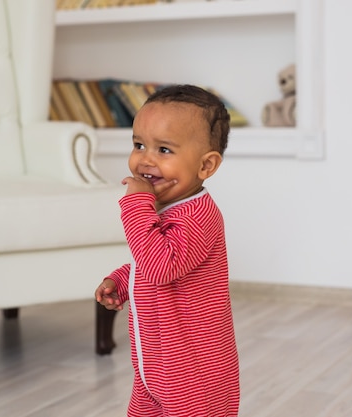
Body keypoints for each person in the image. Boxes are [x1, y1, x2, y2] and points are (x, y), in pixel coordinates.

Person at [95, 84, 240, 416]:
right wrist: (121, 279)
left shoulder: (197, 216)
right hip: (154, 366)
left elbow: (161, 268)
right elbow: (152, 260)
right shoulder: (165, 209)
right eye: (139, 144)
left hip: (195, 374)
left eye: (164, 150)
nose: (145, 159)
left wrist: (135, 203)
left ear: (206, 166)